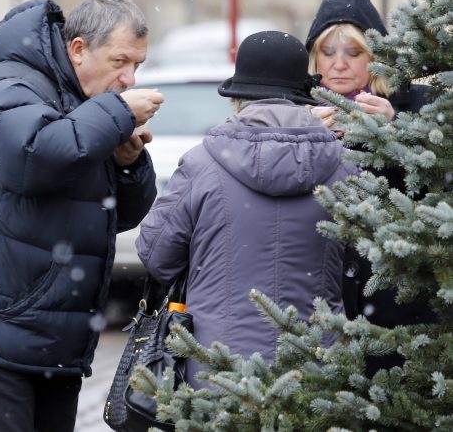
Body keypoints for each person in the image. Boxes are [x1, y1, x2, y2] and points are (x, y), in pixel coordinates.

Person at [0, 0, 164, 431]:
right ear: (79, 49)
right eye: (121, 61)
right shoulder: (12, 86)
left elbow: (115, 215)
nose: (129, 78)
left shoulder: (82, 104)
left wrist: (127, 165)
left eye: (138, 66)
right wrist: (116, 113)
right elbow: (33, 159)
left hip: (51, 344)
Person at [136, 31, 359, 388]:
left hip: (217, 370)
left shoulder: (201, 163)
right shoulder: (345, 169)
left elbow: (157, 255)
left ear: (237, 98)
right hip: (317, 371)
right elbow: (362, 266)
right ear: (303, 98)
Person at [305, 0, 435, 374]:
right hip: (315, 288)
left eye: (354, 53)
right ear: (314, 56)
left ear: (375, 58)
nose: (339, 65)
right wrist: (301, 136)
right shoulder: (295, 109)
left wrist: (395, 133)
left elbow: (433, 185)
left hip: (397, 294)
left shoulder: (417, 106)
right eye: (328, 53)